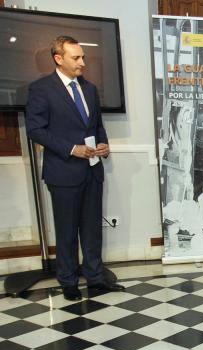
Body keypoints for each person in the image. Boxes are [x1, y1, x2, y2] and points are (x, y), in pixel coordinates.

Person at [25, 35, 122, 301]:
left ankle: (95, 277)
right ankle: (68, 281)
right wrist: (72, 148)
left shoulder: (89, 89)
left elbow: (97, 125)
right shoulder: (41, 89)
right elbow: (35, 130)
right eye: (76, 58)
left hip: (92, 169)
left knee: (91, 228)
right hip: (63, 171)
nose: (82, 63)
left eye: (83, 57)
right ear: (59, 59)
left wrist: (103, 144)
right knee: (66, 229)